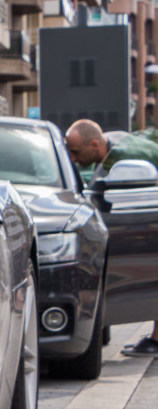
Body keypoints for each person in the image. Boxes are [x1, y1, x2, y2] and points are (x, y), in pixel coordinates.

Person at [64, 119, 158, 355]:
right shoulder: (115, 147)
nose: (73, 159)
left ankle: (157, 341)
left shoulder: (123, 159)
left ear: (95, 144)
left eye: (75, 152)